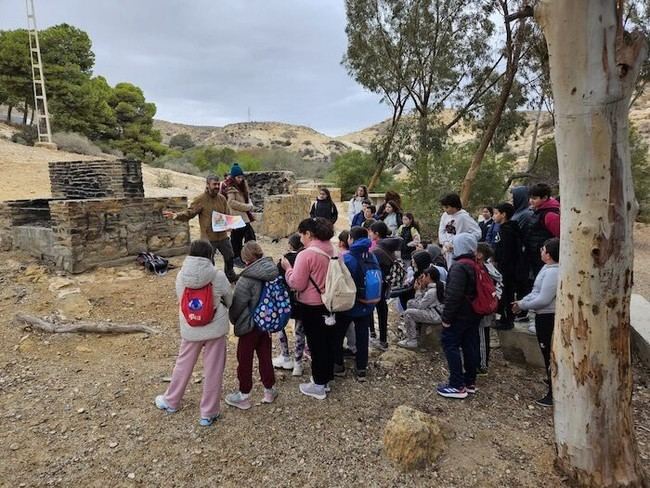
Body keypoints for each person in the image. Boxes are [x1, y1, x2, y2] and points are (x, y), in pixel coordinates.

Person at [154, 240, 233, 426]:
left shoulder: (181, 276)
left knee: (183, 364)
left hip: (191, 327)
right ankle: (208, 413)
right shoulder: (218, 276)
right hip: (215, 328)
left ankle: (171, 401)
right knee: (213, 370)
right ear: (210, 255)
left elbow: (181, 299)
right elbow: (229, 299)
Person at [281, 217, 336, 400]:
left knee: (315, 344)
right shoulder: (330, 248)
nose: (300, 238)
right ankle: (326, 380)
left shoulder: (306, 254)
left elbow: (297, 283)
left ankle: (318, 385)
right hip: (329, 302)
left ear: (309, 234)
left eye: (301, 234)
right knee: (327, 342)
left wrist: (288, 268)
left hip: (311, 304)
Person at [225, 242, 279, 410]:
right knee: (265, 356)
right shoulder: (272, 272)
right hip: (266, 322)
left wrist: (233, 319)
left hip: (249, 325)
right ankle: (269, 390)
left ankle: (244, 395)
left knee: (245, 359)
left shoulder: (246, 279)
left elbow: (238, 305)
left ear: (245, 258)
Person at [163, 175, 237, 283]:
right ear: (208, 185)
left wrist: (230, 224)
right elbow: (190, 212)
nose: (217, 186)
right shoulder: (201, 199)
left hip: (222, 236)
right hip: (208, 238)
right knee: (208, 261)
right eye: (214, 184)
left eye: (218, 184)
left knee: (230, 256)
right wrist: (176, 215)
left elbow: (227, 215)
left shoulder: (222, 199)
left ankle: (230, 276)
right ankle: (209, 281)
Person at [512, 237, 559, 407]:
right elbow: (535, 292)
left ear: (549, 253)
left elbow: (544, 299)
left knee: (550, 353)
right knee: (545, 351)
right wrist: (522, 302)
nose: (541, 251)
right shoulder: (547, 268)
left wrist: (523, 304)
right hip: (541, 315)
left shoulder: (554, 272)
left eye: (543, 249)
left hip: (548, 316)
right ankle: (551, 379)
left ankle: (554, 392)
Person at [437, 233, 481, 399]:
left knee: (450, 344)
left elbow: (453, 295)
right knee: (470, 346)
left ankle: (456, 384)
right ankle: (470, 382)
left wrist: (446, 318)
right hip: (473, 313)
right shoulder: (476, 264)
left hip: (459, 314)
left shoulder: (459, 267)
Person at [334, 226, 380, 381]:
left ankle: (339, 366)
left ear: (351, 239)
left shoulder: (348, 258)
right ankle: (361, 369)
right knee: (362, 336)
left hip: (349, 304)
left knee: (338, 335)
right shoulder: (371, 256)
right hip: (367, 303)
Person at [272, 234, 306, 377]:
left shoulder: (284, 260)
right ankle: (298, 363)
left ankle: (285, 355)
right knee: (299, 332)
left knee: (281, 327)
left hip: (284, 301)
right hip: (301, 300)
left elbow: (276, 279)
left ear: (290, 245)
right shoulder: (304, 258)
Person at [369, 221, 401, 350]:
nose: (369, 234)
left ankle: (373, 333)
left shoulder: (377, 250)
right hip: (385, 282)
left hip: (377, 282)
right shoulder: (389, 246)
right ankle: (383, 339)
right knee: (382, 309)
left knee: (371, 306)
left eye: (371, 231)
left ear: (376, 234)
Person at [492, 202, 524, 331]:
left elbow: (506, 252)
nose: (494, 216)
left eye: (496, 213)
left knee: (506, 294)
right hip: (507, 267)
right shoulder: (506, 228)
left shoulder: (507, 231)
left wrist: (500, 263)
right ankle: (504, 318)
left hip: (507, 268)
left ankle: (507, 320)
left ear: (503, 214)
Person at [397, 265, 444, 349]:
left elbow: (420, 306)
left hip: (436, 315)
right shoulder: (438, 285)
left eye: (424, 276)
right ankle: (415, 331)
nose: (422, 278)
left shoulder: (433, 291)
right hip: (434, 310)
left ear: (428, 276)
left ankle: (412, 340)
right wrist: (422, 289)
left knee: (408, 313)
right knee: (410, 303)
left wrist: (418, 291)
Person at [222, 163, 256, 268]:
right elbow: (231, 202)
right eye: (238, 177)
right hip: (236, 218)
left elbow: (246, 198)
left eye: (241, 177)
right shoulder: (231, 188)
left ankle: (247, 256)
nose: (240, 179)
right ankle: (237, 258)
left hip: (242, 218)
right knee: (237, 239)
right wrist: (247, 207)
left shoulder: (242, 186)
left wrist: (249, 204)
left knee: (248, 236)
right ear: (234, 177)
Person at [475, 243, 502, 375]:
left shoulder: (485, 269)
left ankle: (482, 365)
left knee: (482, 335)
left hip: (484, 307)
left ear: (480, 255)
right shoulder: (488, 267)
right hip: (486, 305)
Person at [438, 193, 482, 268]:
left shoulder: (464, 217)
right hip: (448, 250)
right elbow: (442, 231)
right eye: (444, 207)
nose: (445, 210)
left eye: (447, 207)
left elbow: (477, 233)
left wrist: (461, 242)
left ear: (454, 206)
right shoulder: (445, 216)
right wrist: (445, 243)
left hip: (461, 253)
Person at [526, 183, 560, 278]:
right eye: (530, 198)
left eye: (534, 198)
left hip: (547, 258)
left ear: (544, 198)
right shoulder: (538, 211)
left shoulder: (550, 215)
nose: (531, 201)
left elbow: (558, 236)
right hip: (538, 255)